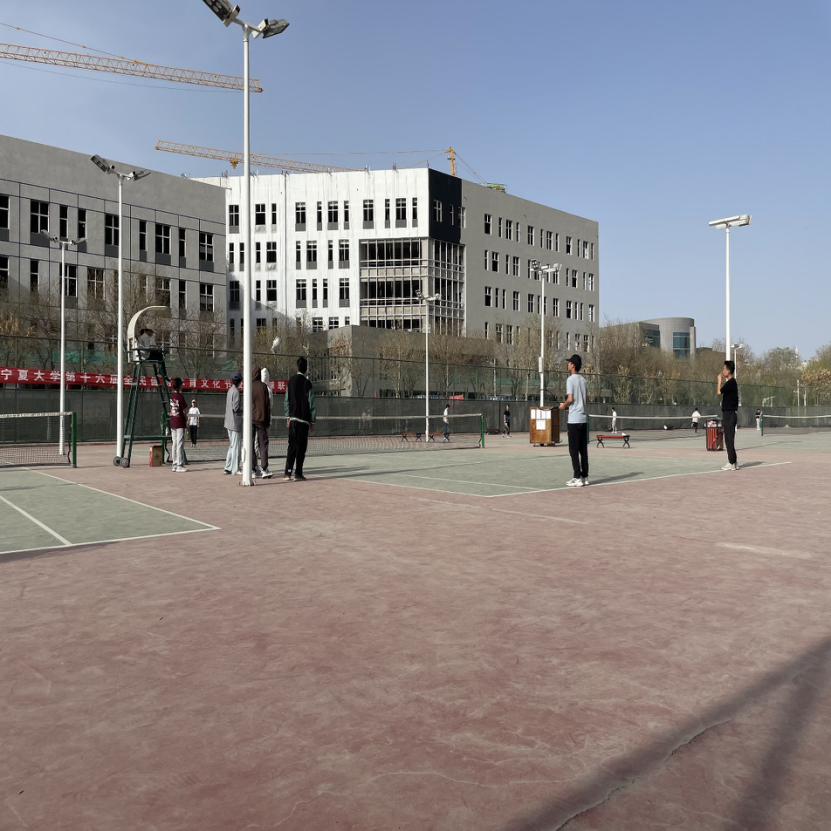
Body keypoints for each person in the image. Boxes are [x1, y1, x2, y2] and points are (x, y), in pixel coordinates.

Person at [559, 354, 589, 487]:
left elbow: (570, 399)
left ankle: (577, 477)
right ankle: (585, 476)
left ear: (573, 365)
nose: (568, 364)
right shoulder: (584, 381)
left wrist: (563, 405)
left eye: (569, 362)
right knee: (583, 450)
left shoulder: (570, 380)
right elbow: (585, 400)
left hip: (574, 421)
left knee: (573, 450)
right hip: (583, 419)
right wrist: (570, 408)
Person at [284, 356, 315, 481]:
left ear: (297, 367)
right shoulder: (308, 383)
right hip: (303, 421)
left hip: (292, 420)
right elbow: (311, 404)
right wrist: (312, 421)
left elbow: (286, 400)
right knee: (301, 448)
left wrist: (288, 416)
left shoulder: (290, 381)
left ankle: (287, 473)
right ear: (306, 369)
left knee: (291, 446)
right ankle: (298, 473)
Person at [251, 364, 273, 478]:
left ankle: (253, 469)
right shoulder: (264, 387)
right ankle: (264, 469)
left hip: (250, 419)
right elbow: (267, 405)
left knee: (250, 444)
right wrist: (268, 421)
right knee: (263, 444)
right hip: (262, 419)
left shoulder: (249, 386)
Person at [718, 360, 739, 471]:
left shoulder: (731, 382)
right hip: (729, 413)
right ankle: (733, 461)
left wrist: (719, 381)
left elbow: (719, 392)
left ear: (729, 371)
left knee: (729, 439)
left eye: (724, 369)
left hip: (729, 414)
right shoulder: (732, 383)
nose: (723, 371)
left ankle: (731, 462)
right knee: (729, 438)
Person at [224, 370, 243, 475]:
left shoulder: (230, 390)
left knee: (232, 445)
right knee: (236, 446)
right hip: (235, 423)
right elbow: (236, 408)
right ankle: (235, 468)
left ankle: (228, 467)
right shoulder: (236, 392)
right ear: (240, 381)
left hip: (228, 422)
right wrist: (243, 409)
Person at [168, 377, 188, 473]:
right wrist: (186, 420)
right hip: (179, 422)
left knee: (174, 444)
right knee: (179, 444)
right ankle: (179, 464)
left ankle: (175, 464)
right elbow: (184, 411)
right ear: (179, 385)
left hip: (173, 422)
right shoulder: (180, 396)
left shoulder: (171, 396)